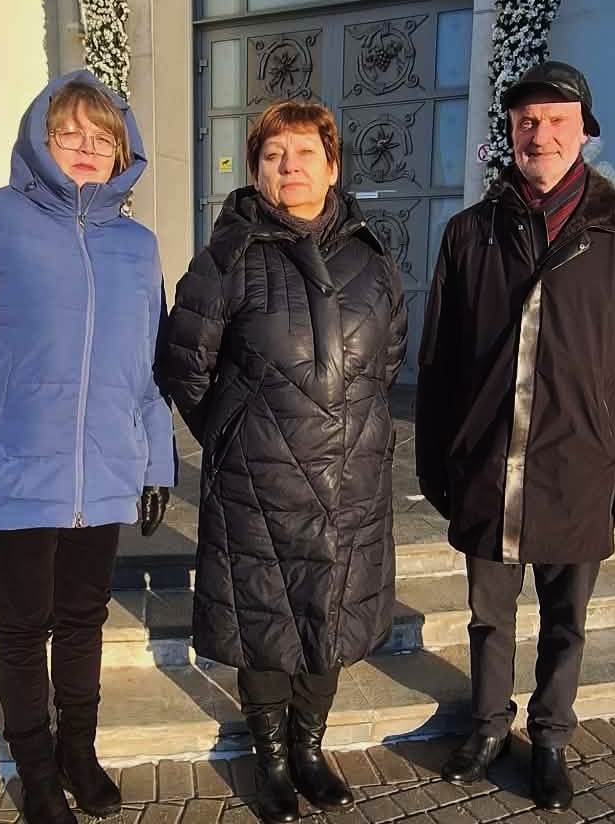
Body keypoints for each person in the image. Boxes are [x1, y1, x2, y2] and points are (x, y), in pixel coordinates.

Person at [0, 70, 175, 824]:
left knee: (84, 620)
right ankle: (37, 771)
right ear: (39, 141)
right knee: (24, 628)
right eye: (68, 134)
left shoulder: (137, 246)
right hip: (11, 461)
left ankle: (78, 753)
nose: (85, 148)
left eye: (101, 138)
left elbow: (147, 368)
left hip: (105, 468)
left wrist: (155, 461)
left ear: (121, 153)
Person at [415, 61, 615, 811]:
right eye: (526, 121)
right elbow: (438, 361)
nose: (540, 134)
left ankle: (552, 737)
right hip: (489, 461)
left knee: (566, 620)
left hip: (580, 461)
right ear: (510, 132)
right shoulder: (471, 233)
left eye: (557, 120)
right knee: (488, 616)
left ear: (584, 131)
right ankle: (487, 726)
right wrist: (435, 460)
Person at [158, 101, 407, 824]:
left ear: (333, 167)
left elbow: (388, 356)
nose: (289, 167)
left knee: (330, 622)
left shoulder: (372, 258)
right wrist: (233, 433)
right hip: (258, 481)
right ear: (255, 171)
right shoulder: (226, 258)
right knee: (265, 625)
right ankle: (269, 757)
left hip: (351, 480)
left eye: (304, 153)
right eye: (273, 155)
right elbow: (186, 365)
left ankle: (309, 749)